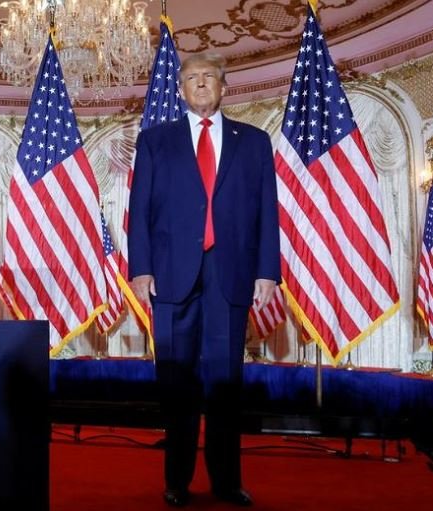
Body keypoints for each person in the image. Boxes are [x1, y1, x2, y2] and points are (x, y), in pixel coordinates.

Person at [127, 52, 281, 508]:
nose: (200, 85)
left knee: (224, 385)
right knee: (177, 385)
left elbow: (266, 212)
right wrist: (141, 267)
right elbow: (141, 211)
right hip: (171, 278)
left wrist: (267, 270)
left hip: (229, 276)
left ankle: (226, 481)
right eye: (191, 78)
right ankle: (176, 480)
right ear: (179, 89)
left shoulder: (253, 142)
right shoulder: (155, 141)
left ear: (224, 87)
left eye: (208, 78)